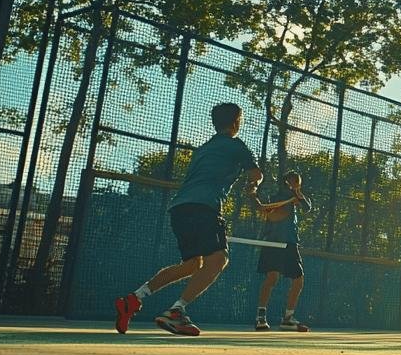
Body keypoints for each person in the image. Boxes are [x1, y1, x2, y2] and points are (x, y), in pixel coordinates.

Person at [114, 102, 261, 336]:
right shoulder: (236, 145)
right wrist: (251, 188)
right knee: (218, 260)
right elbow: (256, 174)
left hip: (180, 208)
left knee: (193, 264)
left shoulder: (203, 149)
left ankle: (134, 298)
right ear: (236, 122)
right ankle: (176, 312)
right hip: (204, 207)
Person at [253, 170, 312, 332]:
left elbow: (307, 208)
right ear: (286, 182)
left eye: (297, 184)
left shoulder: (295, 197)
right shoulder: (278, 197)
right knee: (272, 278)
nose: (295, 186)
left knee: (298, 280)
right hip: (274, 242)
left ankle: (288, 318)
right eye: (293, 182)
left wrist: (298, 193)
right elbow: (271, 213)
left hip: (290, 243)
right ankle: (261, 317)